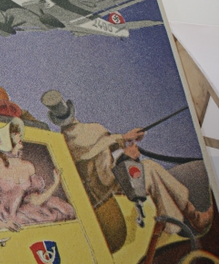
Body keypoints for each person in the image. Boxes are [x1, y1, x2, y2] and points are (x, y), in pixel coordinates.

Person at [41, 90, 213, 234]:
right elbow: (104, 172)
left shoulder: (68, 139)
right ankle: (192, 218)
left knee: (149, 169)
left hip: (102, 188)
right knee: (150, 168)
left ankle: (179, 221)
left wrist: (125, 140)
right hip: (106, 191)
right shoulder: (84, 133)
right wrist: (126, 154)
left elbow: (104, 147)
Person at [0, 118, 75, 231]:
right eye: (15, 135)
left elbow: (36, 201)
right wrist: (2, 224)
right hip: (0, 217)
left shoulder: (28, 166)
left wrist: (55, 183)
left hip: (22, 216)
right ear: (8, 142)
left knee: (62, 212)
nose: (19, 136)